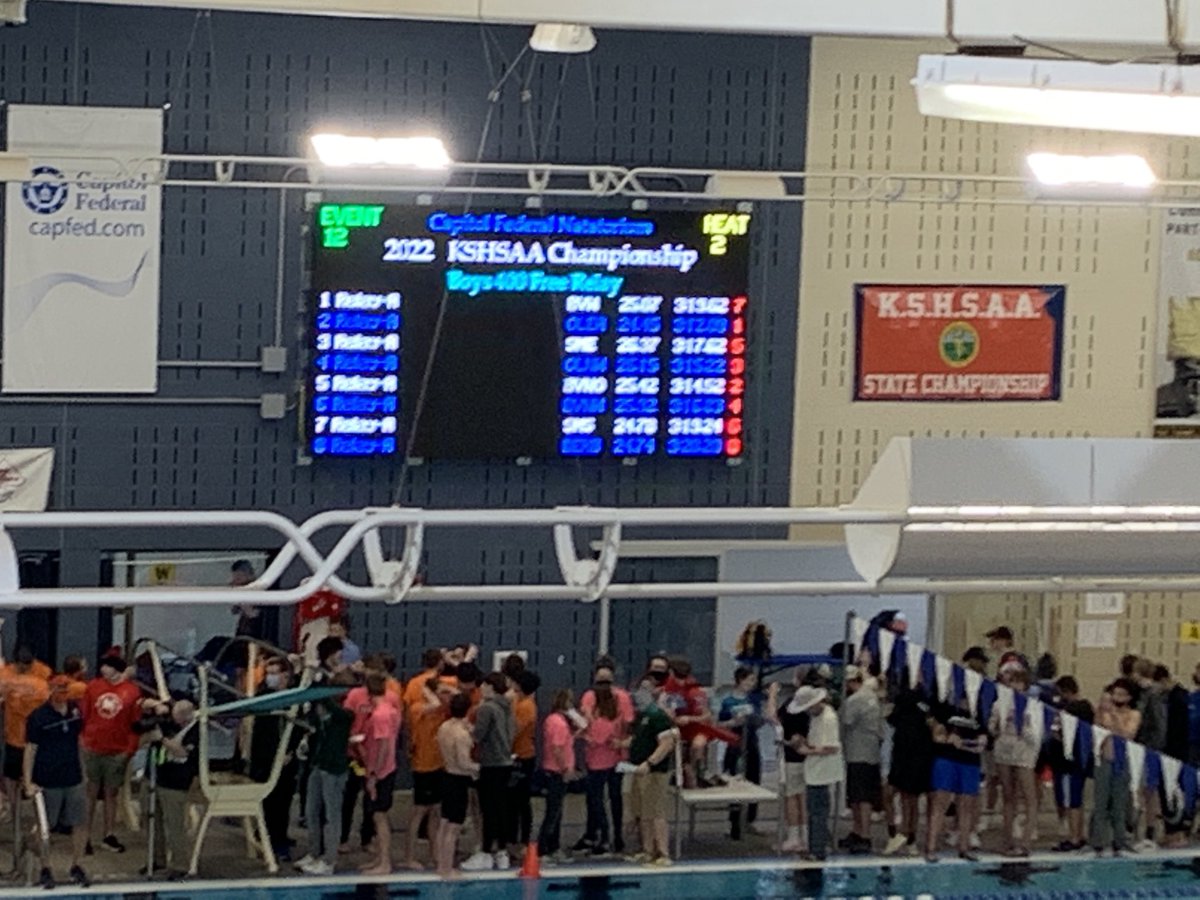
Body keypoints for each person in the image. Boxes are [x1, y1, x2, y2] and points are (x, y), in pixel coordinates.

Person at [24, 676, 89, 889]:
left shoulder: (75, 712)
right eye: (59, 689)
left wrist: (84, 772)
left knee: (79, 822)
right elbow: (30, 750)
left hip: (72, 776)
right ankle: (45, 865)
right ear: (51, 690)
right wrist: (28, 781)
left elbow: (78, 742)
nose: (63, 693)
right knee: (45, 827)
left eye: (66, 689)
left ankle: (77, 864)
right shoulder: (38, 717)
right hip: (47, 779)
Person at [295, 670, 355, 875]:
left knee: (332, 815)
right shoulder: (322, 709)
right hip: (318, 764)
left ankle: (329, 860)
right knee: (312, 811)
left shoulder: (345, 715)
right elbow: (312, 712)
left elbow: (326, 704)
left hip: (334, 768)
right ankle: (313, 853)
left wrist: (319, 688)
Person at [81, 654, 142, 854]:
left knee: (111, 794)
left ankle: (108, 834)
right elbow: (85, 714)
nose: (103, 669)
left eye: (107, 666)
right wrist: (83, 740)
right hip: (93, 746)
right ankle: (85, 835)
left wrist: (129, 749)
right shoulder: (93, 687)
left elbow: (135, 723)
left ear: (116, 669)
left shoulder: (132, 692)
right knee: (90, 792)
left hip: (117, 750)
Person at [141, 698, 200, 879]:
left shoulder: (195, 731)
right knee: (151, 820)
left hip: (175, 783)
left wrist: (163, 740)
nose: (174, 720)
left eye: (178, 717)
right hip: (154, 778)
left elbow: (182, 752)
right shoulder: (166, 724)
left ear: (186, 717)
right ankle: (157, 858)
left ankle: (179, 864)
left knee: (174, 824)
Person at [462, 673, 515, 871]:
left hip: (491, 763)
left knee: (488, 809)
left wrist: (467, 727)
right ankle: (501, 851)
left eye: (483, 685)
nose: (481, 688)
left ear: (490, 686)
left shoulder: (486, 708)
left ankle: (485, 851)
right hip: (505, 762)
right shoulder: (508, 707)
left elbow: (478, 735)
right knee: (501, 808)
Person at [579, 660, 633, 854]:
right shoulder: (622, 697)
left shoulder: (590, 697)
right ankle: (613, 836)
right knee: (613, 797)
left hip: (599, 756)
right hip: (615, 753)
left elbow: (586, 724)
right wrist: (621, 741)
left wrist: (587, 736)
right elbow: (627, 723)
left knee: (597, 798)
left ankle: (603, 835)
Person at [250, 656, 300, 862]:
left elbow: (297, 728)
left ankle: (279, 837)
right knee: (270, 802)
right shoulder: (264, 698)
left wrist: (291, 751)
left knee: (284, 800)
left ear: (285, 676)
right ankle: (269, 838)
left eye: (274, 673)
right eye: (268, 673)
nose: (270, 678)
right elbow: (262, 736)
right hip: (267, 760)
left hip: (287, 759)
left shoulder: (294, 697)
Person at [403, 676, 454, 870]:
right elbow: (432, 704)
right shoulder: (418, 708)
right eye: (443, 692)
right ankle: (409, 856)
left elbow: (460, 698)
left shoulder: (443, 709)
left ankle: (435, 854)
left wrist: (443, 690)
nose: (446, 696)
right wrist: (427, 690)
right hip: (423, 766)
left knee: (435, 813)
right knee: (418, 813)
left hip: (438, 765)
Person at [926, 700, 986, 863]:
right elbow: (934, 728)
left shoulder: (979, 707)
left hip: (970, 760)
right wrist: (946, 736)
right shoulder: (944, 703)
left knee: (966, 805)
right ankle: (931, 847)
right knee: (940, 803)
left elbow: (985, 732)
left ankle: (964, 847)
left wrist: (983, 738)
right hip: (947, 758)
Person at [626, 676, 676, 866]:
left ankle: (663, 853)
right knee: (644, 813)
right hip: (639, 771)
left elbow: (666, 744)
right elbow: (638, 740)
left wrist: (650, 762)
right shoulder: (642, 716)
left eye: (647, 689)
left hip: (655, 772)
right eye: (641, 688)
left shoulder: (658, 716)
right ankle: (647, 851)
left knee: (656, 813)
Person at [990, 668, 1040, 857]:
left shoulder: (1033, 707)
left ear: (1025, 685)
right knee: (1008, 796)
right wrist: (999, 728)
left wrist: (1022, 728)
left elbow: (1036, 735)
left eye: (1018, 682)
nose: (1014, 686)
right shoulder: (999, 705)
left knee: (1029, 797)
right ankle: (1008, 840)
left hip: (1025, 752)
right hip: (1004, 751)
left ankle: (1026, 842)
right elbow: (992, 728)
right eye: (1010, 682)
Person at [1090, 678, 1141, 856]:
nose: (1116, 697)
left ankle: (1120, 841)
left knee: (1119, 804)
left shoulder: (1134, 714)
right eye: (1114, 694)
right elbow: (1096, 734)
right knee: (1101, 802)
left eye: (1121, 694)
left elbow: (1127, 735)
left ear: (1129, 697)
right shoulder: (1103, 713)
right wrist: (1100, 713)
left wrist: (1114, 717)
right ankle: (1097, 842)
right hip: (1104, 760)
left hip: (1124, 761)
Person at [882, 684, 933, 856]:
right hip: (905, 753)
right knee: (894, 796)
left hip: (913, 754)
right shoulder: (914, 699)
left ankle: (908, 837)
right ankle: (898, 834)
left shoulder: (921, 698)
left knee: (909, 799)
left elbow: (891, 718)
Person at [793, 685, 842, 861]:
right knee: (814, 811)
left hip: (823, 772)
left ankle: (818, 850)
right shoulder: (817, 716)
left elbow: (831, 747)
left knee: (818, 812)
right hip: (815, 770)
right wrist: (805, 742)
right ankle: (815, 846)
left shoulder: (828, 718)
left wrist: (807, 751)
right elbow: (819, 742)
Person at [360, 672, 402, 876]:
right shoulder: (389, 709)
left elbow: (384, 745)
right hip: (385, 767)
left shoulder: (380, 715)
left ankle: (385, 862)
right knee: (378, 816)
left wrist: (374, 774)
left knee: (380, 816)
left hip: (382, 771)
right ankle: (379, 858)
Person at [0, 646, 50, 815]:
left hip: (35, 738)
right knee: (11, 776)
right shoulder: (5, 676)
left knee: (37, 779)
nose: (26, 668)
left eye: (28, 664)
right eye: (23, 664)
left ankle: (40, 816)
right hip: (14, 736)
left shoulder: (43, 675)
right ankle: (15, 811)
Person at [839, 665, 884, 854]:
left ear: (850, 682)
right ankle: (857, 831)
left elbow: (846, 721)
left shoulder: (855, 700)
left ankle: (864, 835)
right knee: (858, 796)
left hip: (858, 753)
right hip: (870, 752)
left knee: (861, 797)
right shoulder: (872, 696)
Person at [720, 666, 766, 840]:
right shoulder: (728, 701)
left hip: (751, 743)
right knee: (734, 780)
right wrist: (733, 721)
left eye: (753, 681)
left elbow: (760, 720)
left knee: (754, 778)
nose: (752, 684)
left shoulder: (754, 700)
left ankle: (750, 819)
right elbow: (720, 724)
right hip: (735, 744)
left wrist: (755, 720)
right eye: (749, 680)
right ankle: (734, 821)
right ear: (740, 680)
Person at [767, 670, 810, 853]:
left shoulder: (796, 703)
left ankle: (794, 837)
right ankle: (806, 836)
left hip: (794, 755)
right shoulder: (809, 703)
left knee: (793, 797)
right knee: (802, 796)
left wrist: (771, 695)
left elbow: (773, 717)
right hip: (806, 754)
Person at [435, 692, 478, 878]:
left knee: (444, 824)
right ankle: (447, 869)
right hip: (458, 780)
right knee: (453, 827)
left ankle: (440, 864)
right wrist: (479, 768)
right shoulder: (461, 734)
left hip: (446, 776)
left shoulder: (444, 727)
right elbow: (463, 762)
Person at [1049, 675, 1093, 852]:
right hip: (1076, 761)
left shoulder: (1072, 709)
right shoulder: (1086, 707)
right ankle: (1078, 835)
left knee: (1070, 801)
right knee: (1076, 800)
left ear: (1065, 691)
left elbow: (1059, 734)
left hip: (1068, 762)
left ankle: (1074, 837)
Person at [537, 688, 580, 862]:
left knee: (556, 811)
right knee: (553, 812)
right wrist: (565, 769)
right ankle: (544, 849)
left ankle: (552, 847)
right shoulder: (560, 723)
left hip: (553, 770)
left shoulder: (553, 720)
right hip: (557, 771)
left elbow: (560, 743)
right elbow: (557, 748)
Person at [664, 657, 712, 788]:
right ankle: (677, 772)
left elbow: (706, 715)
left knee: (698, 744)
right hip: (677, 729)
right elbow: (666, 708)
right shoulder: (669, 689)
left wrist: (689, 718)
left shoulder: (695, 691)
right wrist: (671, 716)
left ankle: (696, 773)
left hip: (698, 727)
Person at [1157, 665, 1191, 848]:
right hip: (1174, 752)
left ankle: (1176, 833)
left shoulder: (1177, 698)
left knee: (1173, 793)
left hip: (1174, 753)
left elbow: (1173, 730)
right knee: (1169, 793)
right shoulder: (1177, 696)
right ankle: (1173, 832)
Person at [510, 670, 540, 852]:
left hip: (523, 757)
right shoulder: (520, 703)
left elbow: (514, 730)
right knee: (515, 801)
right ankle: (516, 838)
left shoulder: (526, 707)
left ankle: (522, 840)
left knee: (519, 800)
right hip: (518, 754)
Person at [229, 560, 263, 640]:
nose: (234, 585)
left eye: (238, 580)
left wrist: (249, 612)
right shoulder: (240, 611)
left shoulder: (264, 602)